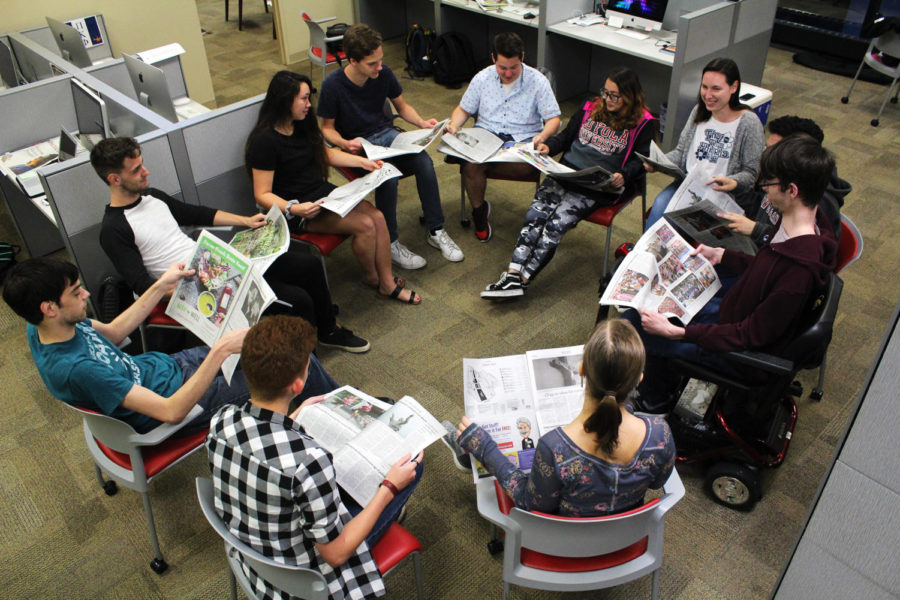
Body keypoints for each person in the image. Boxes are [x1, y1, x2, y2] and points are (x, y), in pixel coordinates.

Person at [207, 315, 423, 600]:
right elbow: (336, 554)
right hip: (307, 581)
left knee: (383, 413)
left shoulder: (222, 420)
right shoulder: (308, 461)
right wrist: (389, 488)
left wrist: (296, 414)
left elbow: (261, 442)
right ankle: (390, 508)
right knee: (411, 465)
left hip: (252, 556)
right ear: (298, 385)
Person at [92, 137, 370, 353]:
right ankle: (302, 367)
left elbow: (195, 213)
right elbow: (143, 286)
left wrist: (247, 222)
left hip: (216, 264)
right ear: (114, 180)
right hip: (196, 288)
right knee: (296, 300)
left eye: (142, 163)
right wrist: (214, 286)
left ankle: (327, 330)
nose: (146, 171)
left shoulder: (151, 196)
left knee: (305, 265)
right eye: (136, 169)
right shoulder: (114, 229)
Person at [1, 258, 336, 434]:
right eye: (76, 292)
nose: (86, 294)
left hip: (168, 367)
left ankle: (331, 408)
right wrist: (219, 350)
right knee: (292, 364)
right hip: (177, 403)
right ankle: (344, 415)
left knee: (285, 352)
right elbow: (171, 412)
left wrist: (160, 286)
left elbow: (115, 333)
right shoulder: (79, 370)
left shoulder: (41, 326)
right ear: (49, 309)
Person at [629, 135, 838, 412]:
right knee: (642, 309)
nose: (764, 190)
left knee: (634, 327)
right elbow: (767, 269)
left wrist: (678, 333)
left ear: (793, 190)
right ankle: (662, 381)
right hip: (735, 313)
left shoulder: (798, 270)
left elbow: (749, 336)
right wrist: (723, 255)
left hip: (739, 353)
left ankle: (655, 401)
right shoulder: (802, 223)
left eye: (770, 184)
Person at [448, 319, 674, 516]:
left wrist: (485, 447)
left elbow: (531, 504)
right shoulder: (660, 433)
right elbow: (657, 483)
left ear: (582, 370)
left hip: (567, 547)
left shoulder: (554, 448)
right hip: (627, 538)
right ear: (640, 378)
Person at [246, 70, 422, 305]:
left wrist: (364, 162)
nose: (309, 105)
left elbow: (325, 154)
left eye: (309, 98)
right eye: (304, 99)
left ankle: (385, 281)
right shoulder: (265, 141)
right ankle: (375, 279)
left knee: (378, 216)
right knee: (366, 224)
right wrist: (294, 208)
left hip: (322, 194)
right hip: (296, 209)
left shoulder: (301, 125)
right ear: (284, 100)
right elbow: (262, 194)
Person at [481, 67, 654, 299]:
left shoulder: (643, 122)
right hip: (566, 172)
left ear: (630, 97)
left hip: (596, 184)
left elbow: (641, 160)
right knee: (535, 215)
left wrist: (624, 174)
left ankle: (522, 280)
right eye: (606, 92)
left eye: (615, 95)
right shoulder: (590, 107)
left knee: (555, 225)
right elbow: (566, 136)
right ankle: (513, 272)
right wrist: (549, 147)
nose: (608, 99)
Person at [317, 23, 463, 268]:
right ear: (353, 61)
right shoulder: (333, 85)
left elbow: (402, 107)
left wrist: (422, 123)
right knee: (388, 176)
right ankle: (391, 242)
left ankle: (436, 230)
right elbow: (327, 129)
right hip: (358, 146)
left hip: (387, 134)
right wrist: (344, 142)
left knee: (424, 162)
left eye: (381, 60)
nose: (380, 67)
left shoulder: (382, 74)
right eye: (372, 64)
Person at [446, 31, 562, 242]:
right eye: (502, 68)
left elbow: (554, 119)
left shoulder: (538, 81)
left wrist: (543, 136)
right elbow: (463, 109)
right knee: (472, 165)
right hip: (487, 134)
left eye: (513, 67)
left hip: (522, 139)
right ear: (493, 59)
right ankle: (479, 212)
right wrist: (454, 126)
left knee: (518, 167)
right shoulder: (482, 78)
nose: (508, 74)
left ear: (522, 57)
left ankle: (479, 168)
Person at [644, 57, 765, 228]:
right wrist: (658, 162)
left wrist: (734, 182)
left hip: (721, 196)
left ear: (733, 87)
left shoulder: (749, 123)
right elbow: (681, 153)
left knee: (678, 225)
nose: (708, 95)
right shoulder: (699, 111)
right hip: (688, 186)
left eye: (716, 89)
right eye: (704, 87)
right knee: (660, 205)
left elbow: (751, 173)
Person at [711, 115, 850, 247]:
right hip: (757, 247)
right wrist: (737, 188)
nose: (766, 154)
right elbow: (761, 206)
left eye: (773, 150)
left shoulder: (816, 204)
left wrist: (756, 230)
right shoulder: (780, 175)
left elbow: (798, 248)